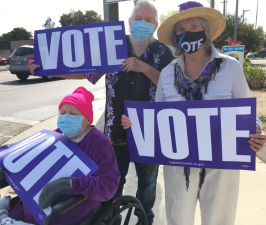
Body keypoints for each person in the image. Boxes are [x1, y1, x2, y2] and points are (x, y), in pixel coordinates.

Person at [121, 2, 266, 225]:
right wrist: (138, 126)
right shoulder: (168, 72)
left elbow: (249, 110)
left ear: (206, 31)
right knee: (179, 220)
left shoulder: (230, 68)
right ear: (175, 36)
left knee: (218, 220)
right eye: (180, 29)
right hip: (178, 167)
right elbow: (159, 116)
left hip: (221, 167)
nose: (187, 32)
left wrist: (256, 131)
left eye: (194, 25)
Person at [29, 1, 174, 224]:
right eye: (138, 19)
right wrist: (46, 69)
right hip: (115, 134)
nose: (142, 24)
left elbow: (169, 86)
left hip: (149, 133)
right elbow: (86, 73)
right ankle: (110, 220)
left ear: (155, 25)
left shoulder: (163, 53)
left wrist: (142, 67)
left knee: (148, 184)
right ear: (129, 22)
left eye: (148, 20)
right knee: (112, 185)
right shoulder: (114, 46)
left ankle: (145, 219)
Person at [0, 87, 120, 225]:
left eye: (73, 114)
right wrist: (7, 172)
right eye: (63, 113)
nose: (66, 118)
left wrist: (69, 185)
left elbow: (108, 186)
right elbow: (30, 160)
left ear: (88, 119)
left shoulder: (99, 144)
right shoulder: (56, 134)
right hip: (35, 201)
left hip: (72, 206)